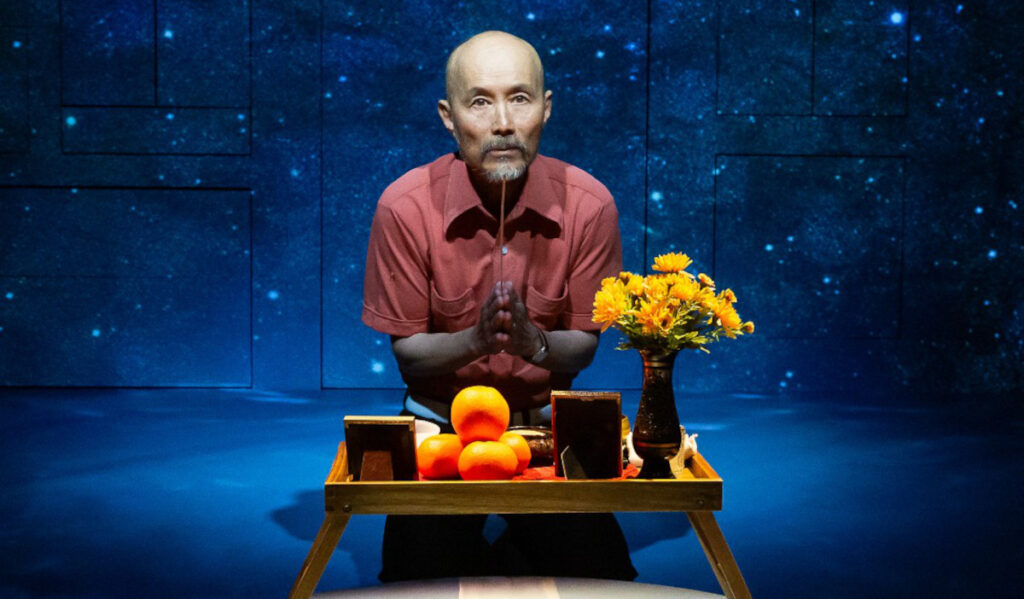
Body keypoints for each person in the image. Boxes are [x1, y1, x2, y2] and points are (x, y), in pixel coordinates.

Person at [361, 30, 636, 582]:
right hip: (439, 430)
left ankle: (509, 553)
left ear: (546, 107)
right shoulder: (404, 206)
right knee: (414, 587)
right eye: (480, 101)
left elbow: (582, 346)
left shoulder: (590, 204)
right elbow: (410, 357)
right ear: (449, 115)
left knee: (603, 584)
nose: (503, 122)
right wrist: (478, 340)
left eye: (520, 98)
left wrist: (533, 343)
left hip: (547, 434)